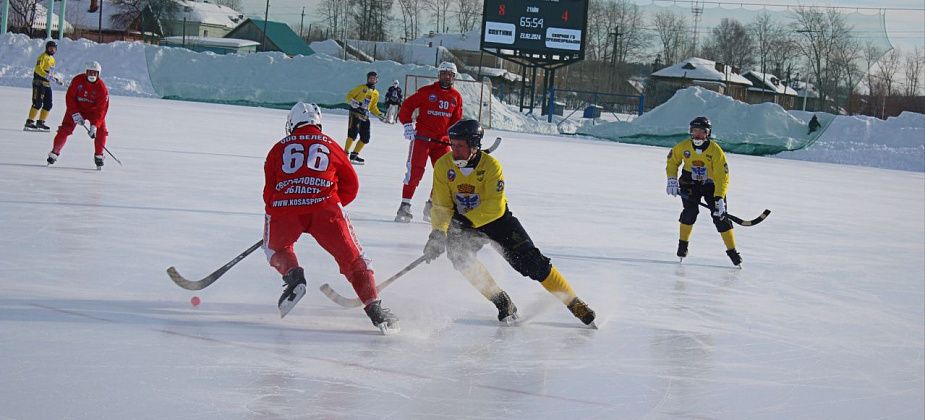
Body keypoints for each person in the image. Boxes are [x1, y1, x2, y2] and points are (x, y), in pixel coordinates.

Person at [421, 119, 597, 327]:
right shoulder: (443, 166)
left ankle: (574, 303)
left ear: (474, 145)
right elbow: (441, 205)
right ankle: (502, 302)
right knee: (459, 256)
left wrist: (462, 222)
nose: (455, 150)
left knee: (533, 264)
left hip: (497, 221)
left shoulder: (491, 166)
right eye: (453, 144)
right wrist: (438, 233)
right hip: (463, 223)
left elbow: (493, 206)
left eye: (460, 145)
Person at [263, 102, 399, 334]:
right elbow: (352, 185)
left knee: (276, 248)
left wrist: (285, 209)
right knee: (355, 260)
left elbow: (269, 191)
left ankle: (293, 274)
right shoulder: (331, 145)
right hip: (325, 209)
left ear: (292, 123)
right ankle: (374, 307)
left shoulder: (278, 148)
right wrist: (329, 203)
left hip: (285, 209)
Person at [665, 116, 742, 267]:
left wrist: (719, 197)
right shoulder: (683, 146)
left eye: (702, 131)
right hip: (689, 182)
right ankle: (682, 246)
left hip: (711, 185)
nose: (698, 135)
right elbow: (672, 161)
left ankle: (732, 252)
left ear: (708, 133)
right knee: (689, 212)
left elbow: (722, 175)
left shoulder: (715, 151)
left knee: (720, 217)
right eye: (695, 131)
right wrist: (672, 179)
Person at [395, 61, 463, 223]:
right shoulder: (426, 92)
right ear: (438, 75)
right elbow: (407, 106)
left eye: (449, 74)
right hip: (422, 139)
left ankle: (431, 205)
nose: (446, 76)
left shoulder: (456, 97)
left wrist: (455, 139)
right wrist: (406, 124)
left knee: (447, 174)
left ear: (453, 77)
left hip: (442, 143)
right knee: (415, 172)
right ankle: (405, 205)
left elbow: (456, 120)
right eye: (443, 73)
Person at [46, 61, 109, 170]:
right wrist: (74, 113)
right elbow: (70, 97)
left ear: (99, 74)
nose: (92, 75)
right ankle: (55, 152)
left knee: (101, 130)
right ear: (86, 72)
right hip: (77, 108)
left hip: (93, 111)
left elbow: (102, 109)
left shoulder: (102, 89)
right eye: (90, 72)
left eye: (95, 73)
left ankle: (99, 155)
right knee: (65, 129)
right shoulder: (77, 80)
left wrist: (94, 125)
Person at [343, 71, 386, 165]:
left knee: (365, 138)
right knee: (352, 134)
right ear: (367, 79)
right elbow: (348, 96)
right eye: (370, 78)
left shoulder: (376, 93)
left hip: (365, 115)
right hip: (355, 113)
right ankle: (345, 154)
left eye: (374, 78)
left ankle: (354, 155)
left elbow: (373, 107)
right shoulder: (361, 88)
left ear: (377, 80)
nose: (372, 80)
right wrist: (352, 102)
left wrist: (379, 114)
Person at [25, 40, 63, 132]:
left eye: (54, 49)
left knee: (48, 104)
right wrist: (47, 76)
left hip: (47, 84)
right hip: (39, 83)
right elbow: (38, 69)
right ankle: (29, 122)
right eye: (50, 48)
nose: (52, 50)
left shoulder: (53, 60)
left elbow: (50, 72)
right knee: (37, 103)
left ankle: (41, 122)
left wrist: (55, 79)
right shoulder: (42, 57)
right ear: (47, 48)